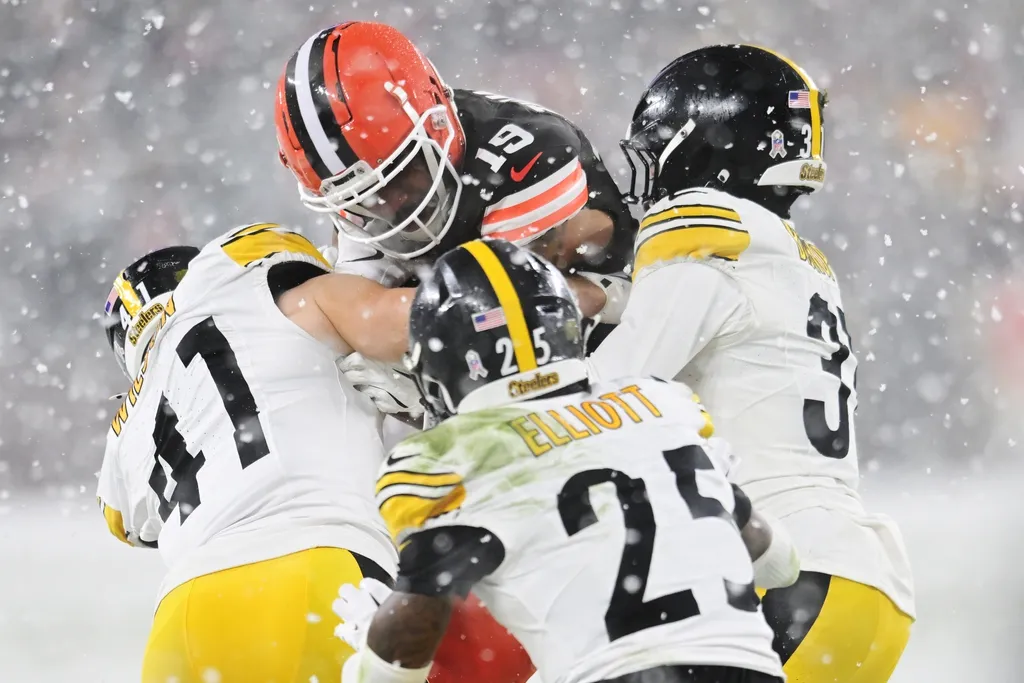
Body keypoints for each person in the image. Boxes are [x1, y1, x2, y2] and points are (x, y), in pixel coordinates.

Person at [589, 45, 915, 682]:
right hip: (855, 581)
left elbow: (607, 397)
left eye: (655, 144)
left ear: (703, 140)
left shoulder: (710, 233)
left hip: (791, 578)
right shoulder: (790, 260)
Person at [336, 239, 798, 683]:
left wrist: (369, 652)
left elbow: (399, 663)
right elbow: (780, 563)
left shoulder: (453, 458)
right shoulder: (659, 405)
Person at [97, 223, 529, 683]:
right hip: (315, 569)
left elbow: (123, 522)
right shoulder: (264, 292)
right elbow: (429, 321)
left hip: (182, 613)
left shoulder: (131, 424)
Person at [274, 20, 633, 337]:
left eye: (399, 177)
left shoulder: (528, 161)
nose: (390, 206)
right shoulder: (370, 197)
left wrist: (408, 369)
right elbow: (355, 314)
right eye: (361, 199)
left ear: (437, 125)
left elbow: (504, 317)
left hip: (613, 345)